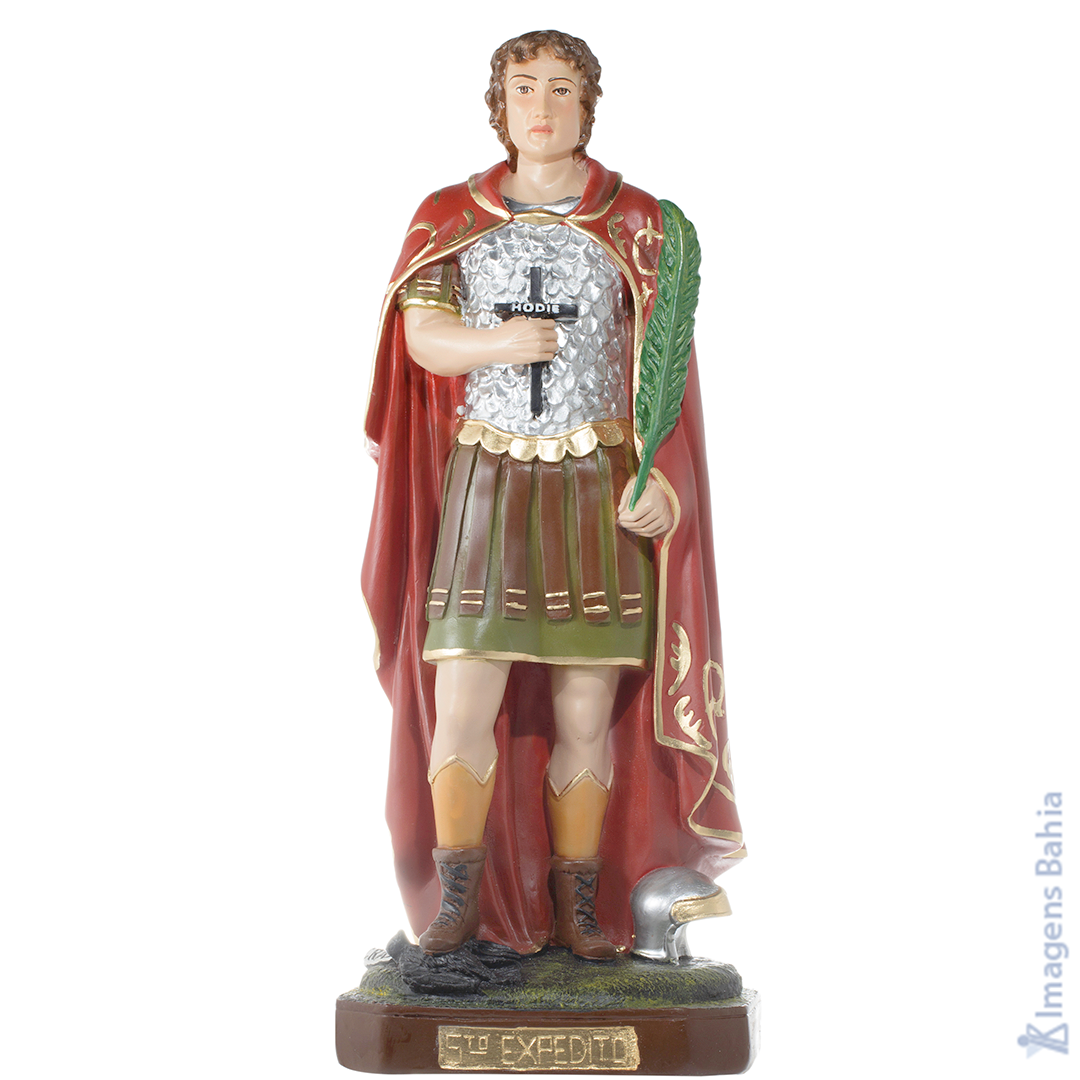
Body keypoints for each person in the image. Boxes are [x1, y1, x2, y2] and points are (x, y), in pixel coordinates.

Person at [363, 29, 744, 960]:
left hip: (594, 487)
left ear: (588, 104)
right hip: (487, 481)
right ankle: (459, 904)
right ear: (499, 104)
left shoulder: (638, 223)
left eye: (562, 89)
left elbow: (666, 381)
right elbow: (422, 338)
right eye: (524, 86)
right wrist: (496, 343)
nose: (542, 106)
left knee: (584, 711)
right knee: (462, 695)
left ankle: (579, 905)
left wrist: (663, 480)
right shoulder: (450, 215)